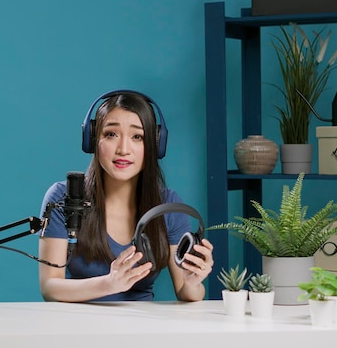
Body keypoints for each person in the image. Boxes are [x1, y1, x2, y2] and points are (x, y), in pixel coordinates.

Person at [37, 90, 214, 302]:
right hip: (80, 327)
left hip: (142, 329)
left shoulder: (168, 206)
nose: (123, 149)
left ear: (155, 145)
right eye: (111, 134)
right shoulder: (63, 197)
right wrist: (108, 284)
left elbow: (187, 293)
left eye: (137, 137)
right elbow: (50, 287)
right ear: (92, 139)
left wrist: (193, 281)